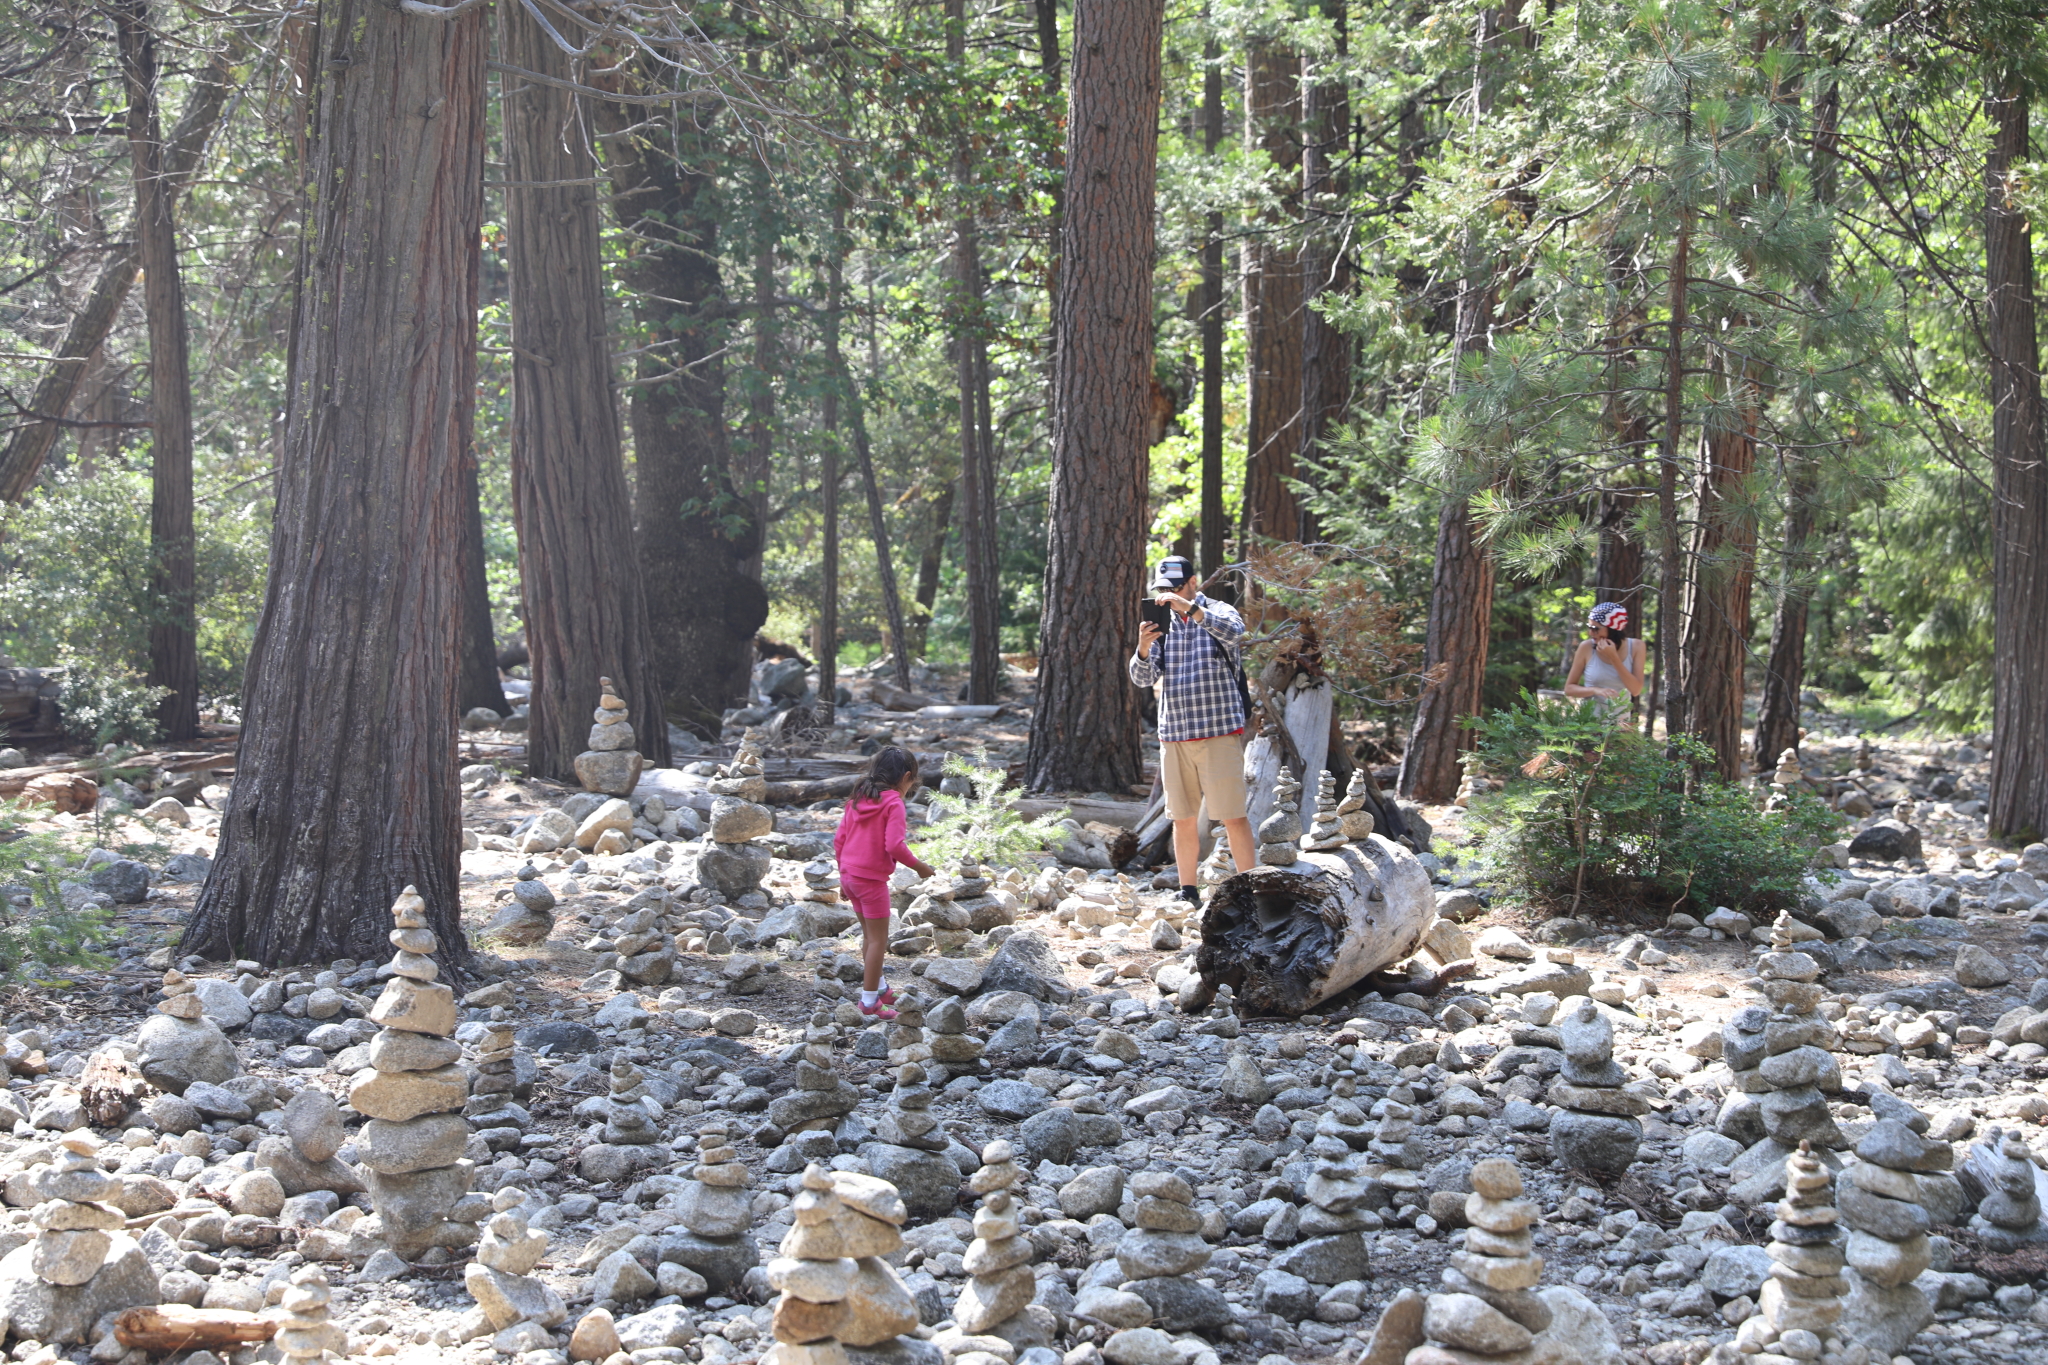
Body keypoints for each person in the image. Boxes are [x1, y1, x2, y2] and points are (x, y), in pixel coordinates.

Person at [1129, 554, 1256, 903]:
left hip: (1218, 731)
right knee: (1182, 817)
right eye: (1162, 590)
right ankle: (1188, 892)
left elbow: (1235, 634)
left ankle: (1249, 891)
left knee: (1233, 816)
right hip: (1175, 736)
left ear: (1192, 583)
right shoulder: (1163, 626)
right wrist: (1142, 648)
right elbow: (1142, 679)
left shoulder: (1219, 612)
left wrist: (1192, 610)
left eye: (1174, 589)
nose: (1167, 596)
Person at [833, 746, 936, 1020]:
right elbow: (894, 845)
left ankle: (878, 988)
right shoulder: (893, 803)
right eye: (912, 782)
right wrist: (921, 867)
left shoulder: (857, 799)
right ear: (906, 777)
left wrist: (843, 877)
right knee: (879, 940)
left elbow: (839, 840)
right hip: (871, 880)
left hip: (850, 876)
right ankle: (868, 1003)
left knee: (868, 937)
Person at [1564, 601, 1644, 715]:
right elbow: (1569, 689)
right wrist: (1595, 690)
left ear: (1613, 628)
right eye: (1589, 627)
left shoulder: (1637, 647)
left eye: (1595, 629)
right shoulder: (1586, 647)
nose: (1590, 633)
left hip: (1619, 727)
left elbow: (1635, 690)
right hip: (1590, 725)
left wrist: (1613, 657)